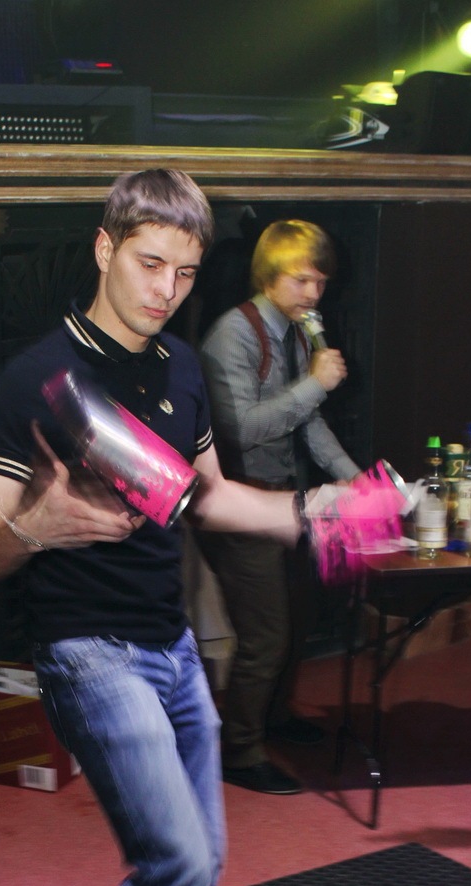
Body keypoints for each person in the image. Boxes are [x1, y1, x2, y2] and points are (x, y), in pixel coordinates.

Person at [0, 171, 312, 886]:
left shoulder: (181, 366)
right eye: (149, 263)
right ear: (104, 248)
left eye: (185, 273)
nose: (164, 289)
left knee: (202, 858)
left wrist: (315, 516)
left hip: (171, 649)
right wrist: (36, 524)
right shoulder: (36, 379)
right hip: (88, 651)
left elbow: (208, 496)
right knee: (176, 862)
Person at [195, 220, 361, 796]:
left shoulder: (296, 332)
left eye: (321, 281)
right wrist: (315, 384)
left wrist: (355, 480)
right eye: (302, 280)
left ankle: (274, 718)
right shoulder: (231, 335)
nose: (314, 293)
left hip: (290, 501)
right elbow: (240, 429)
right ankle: (240, 752)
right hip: (239, 505)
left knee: (298, 619)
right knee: (265, 636)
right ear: (269, 275)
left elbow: (307, 423)